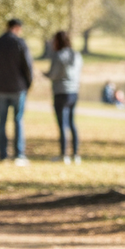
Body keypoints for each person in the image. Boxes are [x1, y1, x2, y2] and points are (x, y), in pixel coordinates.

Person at [0, 18, 34, 165]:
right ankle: (19, 154)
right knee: (18, 120)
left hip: (1, 87)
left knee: (2, 121)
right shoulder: (20, 43)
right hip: (18, 88)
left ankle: (3, 153)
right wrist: (28, 83)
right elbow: (27, 66)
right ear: (18, 28)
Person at [44, 30, 83, 164]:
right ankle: (76, 154)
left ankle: (64, 155)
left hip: (61, 92)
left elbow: (54, 74)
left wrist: (45, 74)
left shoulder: (58, 55)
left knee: (62, 125)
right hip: (74, 92)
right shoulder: (76, 55)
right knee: (72, 123)